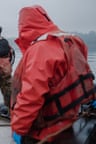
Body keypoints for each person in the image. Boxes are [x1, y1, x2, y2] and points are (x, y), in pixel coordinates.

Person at [11, 5, 95, 144]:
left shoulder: (40, 50)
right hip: (69, 121)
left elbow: (31, 96)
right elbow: (81, 75)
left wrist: (18, 129)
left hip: (45, 131)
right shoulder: (74, 41)